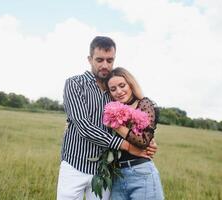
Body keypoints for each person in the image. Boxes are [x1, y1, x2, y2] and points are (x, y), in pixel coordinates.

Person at [56, 36, 158, 200]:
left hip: (104, 170)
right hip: (74, 164)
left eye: (109, 60)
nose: (105, 65)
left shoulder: (115, 92)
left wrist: (147, 140)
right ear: (90, 59)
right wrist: (128, 146)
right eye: (99, 60)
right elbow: (84, 127)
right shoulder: (75, 84)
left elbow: (133, 119)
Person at [105, 67, 164, 200]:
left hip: (141, 173)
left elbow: (143, 141)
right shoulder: (110, 110)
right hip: (117, 176)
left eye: (122, 85)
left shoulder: (144, 104)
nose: (119, 92)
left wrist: (116, 126)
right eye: (113, 89)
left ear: (130, 84)